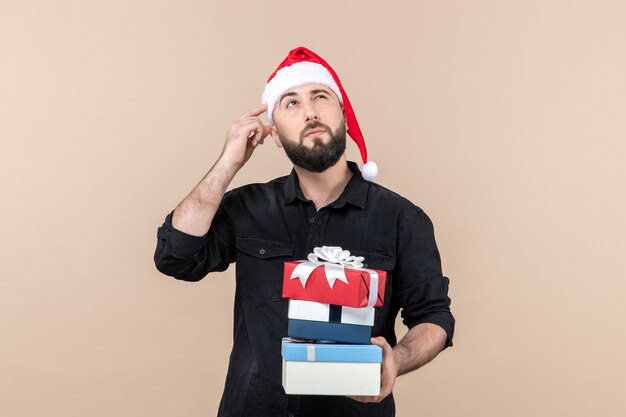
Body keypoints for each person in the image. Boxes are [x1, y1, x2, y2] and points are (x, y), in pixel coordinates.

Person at [154, 46, 454, 417]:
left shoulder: (402, 218)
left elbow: (435, 318)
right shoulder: (246, 207)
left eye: (320, 96)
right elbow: (176, 257)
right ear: (275, 134)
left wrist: (397, 357)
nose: (309, 111)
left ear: (343, 114)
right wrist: (228, 162)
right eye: (291, 103)